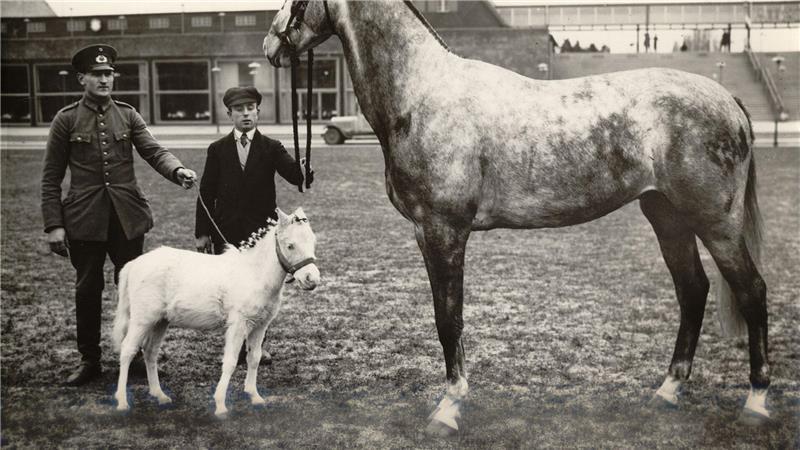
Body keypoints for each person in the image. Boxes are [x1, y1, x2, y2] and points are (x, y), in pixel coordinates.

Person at [41, 44, 197, 386]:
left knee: (135, 290)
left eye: (108, 73)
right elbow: (51, 176)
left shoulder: (128, 114)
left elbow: (153, 150)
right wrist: (54, 225)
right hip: (84, 220)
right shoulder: (66, 119)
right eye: (97, 74)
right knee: (88, 289)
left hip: (127, 219)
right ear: (82, 78)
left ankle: (137, 356)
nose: (104, 79)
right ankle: (90, 361)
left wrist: (178, 170)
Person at [194, 86, 312, 364]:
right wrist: (202, 233)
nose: (245, 113)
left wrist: (304, 170)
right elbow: (205, 193)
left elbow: (295, 176)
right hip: (226, 230)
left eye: (250, 108)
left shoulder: (271, 147)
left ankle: (256, 347)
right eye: (239, 109)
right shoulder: (217, 149)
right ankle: (233, 341)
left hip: (262, 233)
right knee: (231, 288)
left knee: (262, 289)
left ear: (258, 112)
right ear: (229, 114)